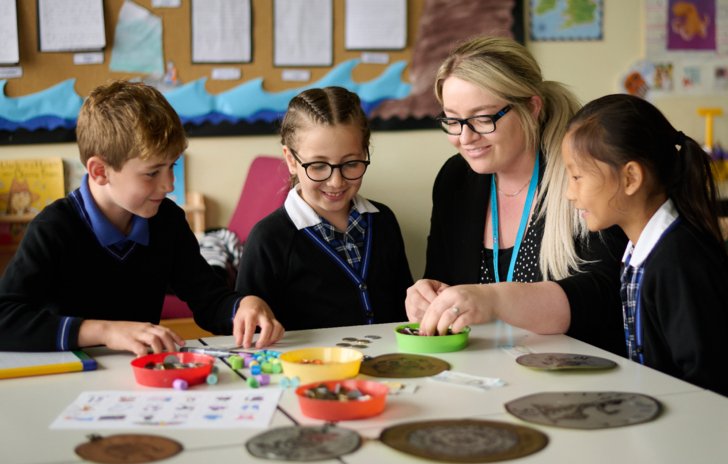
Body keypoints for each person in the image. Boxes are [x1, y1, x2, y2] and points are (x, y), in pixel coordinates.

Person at [0, 80, 283, 356]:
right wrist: (107, 332)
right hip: (69, 378)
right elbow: (5, 319)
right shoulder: (55, 228)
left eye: (172, 166)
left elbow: (209, 300)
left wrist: (243, 305)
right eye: (152, 172)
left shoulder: (167, 220)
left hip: (141, 376)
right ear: (100, 171)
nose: (170, 184)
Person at [408, 36, 627, 356]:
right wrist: (428, 295)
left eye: (483, 118)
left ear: (531, 107)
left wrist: (495, 300)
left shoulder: (583, 176)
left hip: (579, 373)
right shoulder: (456, 179)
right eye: (453, 121)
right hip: (486, 370)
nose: (465, 138)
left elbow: (602, 298)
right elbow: (444, 277)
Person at [562, 94, 728, 395]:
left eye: (577, 177)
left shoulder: (678, 263)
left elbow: (707, 381)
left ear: (630, 178)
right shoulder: (640, 252)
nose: (570, 193)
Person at [235, 87, 413, 329]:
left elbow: (405, 307)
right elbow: (251, 327)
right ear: (291, 160)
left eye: (351, 163)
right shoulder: (268, 238)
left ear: (365, 153)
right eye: (318, 166)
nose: (336, 182)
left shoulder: (384, 220)